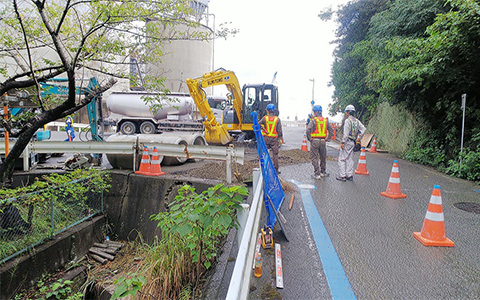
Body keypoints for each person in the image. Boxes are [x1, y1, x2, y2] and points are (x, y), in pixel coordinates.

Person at [337, 104, 366, 181]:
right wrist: (359, 138)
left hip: (347, 142)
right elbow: (363, 129)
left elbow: (345, 134)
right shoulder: (357, 121)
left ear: (348, 112)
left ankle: (342, 176)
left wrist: (343, 142)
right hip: (353, 142)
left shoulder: (347, 121)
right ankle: (349, 175)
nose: (346, 113)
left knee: (342, 158)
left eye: (346, 112)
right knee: (350, 158)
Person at [306, 105, 334, 179]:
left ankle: (317, 174)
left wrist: (309, 138)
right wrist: (328, 138)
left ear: (316, 112)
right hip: (323, 141)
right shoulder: (325, 120)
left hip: (315, 140)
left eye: (314, 112)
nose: (314, 113)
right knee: (323, 157)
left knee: (314, 157)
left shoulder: (313, 120)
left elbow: (308, 130)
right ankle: (323, 172)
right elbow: (331, 130)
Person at [259, 104, 284, 174]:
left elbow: (258, 124)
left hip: (266, 138)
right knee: (275, 154)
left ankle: (264, 167)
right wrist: (280, 137)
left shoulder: (265, 118)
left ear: (267, 111)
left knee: (265, 153)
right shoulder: (277, 119)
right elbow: (279, 130)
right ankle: (276, 169)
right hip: (274, 139)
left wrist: (263, 129)